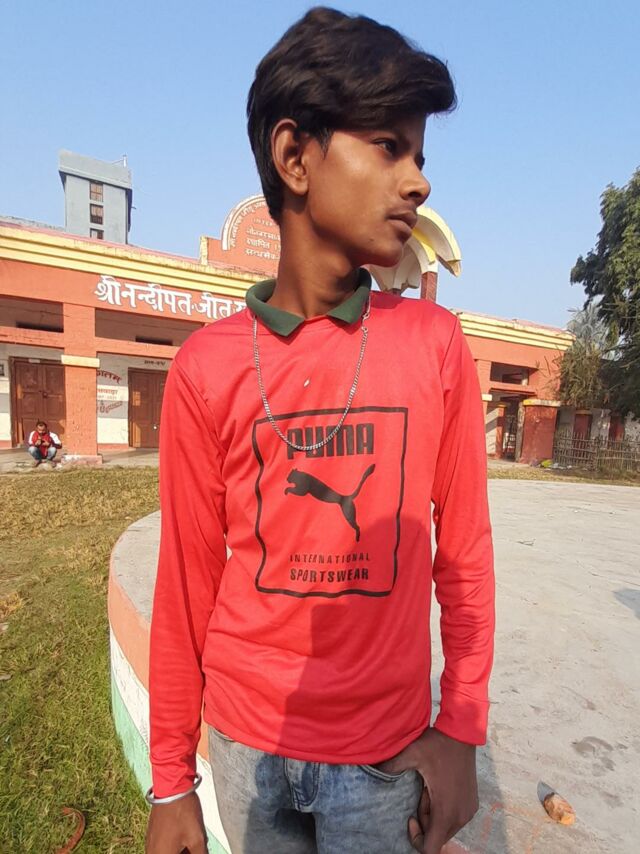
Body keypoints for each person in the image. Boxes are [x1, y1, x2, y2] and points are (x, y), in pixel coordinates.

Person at [146, 8, 495, 854]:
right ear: (295, 157)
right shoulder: (206, 368)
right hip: (247, 747)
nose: (418, 182)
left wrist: (460, 730)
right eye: (389, 146)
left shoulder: (434, 346)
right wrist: (171, 781)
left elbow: (465, 557)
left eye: (421, 156)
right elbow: (186, 583)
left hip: (383, 760)